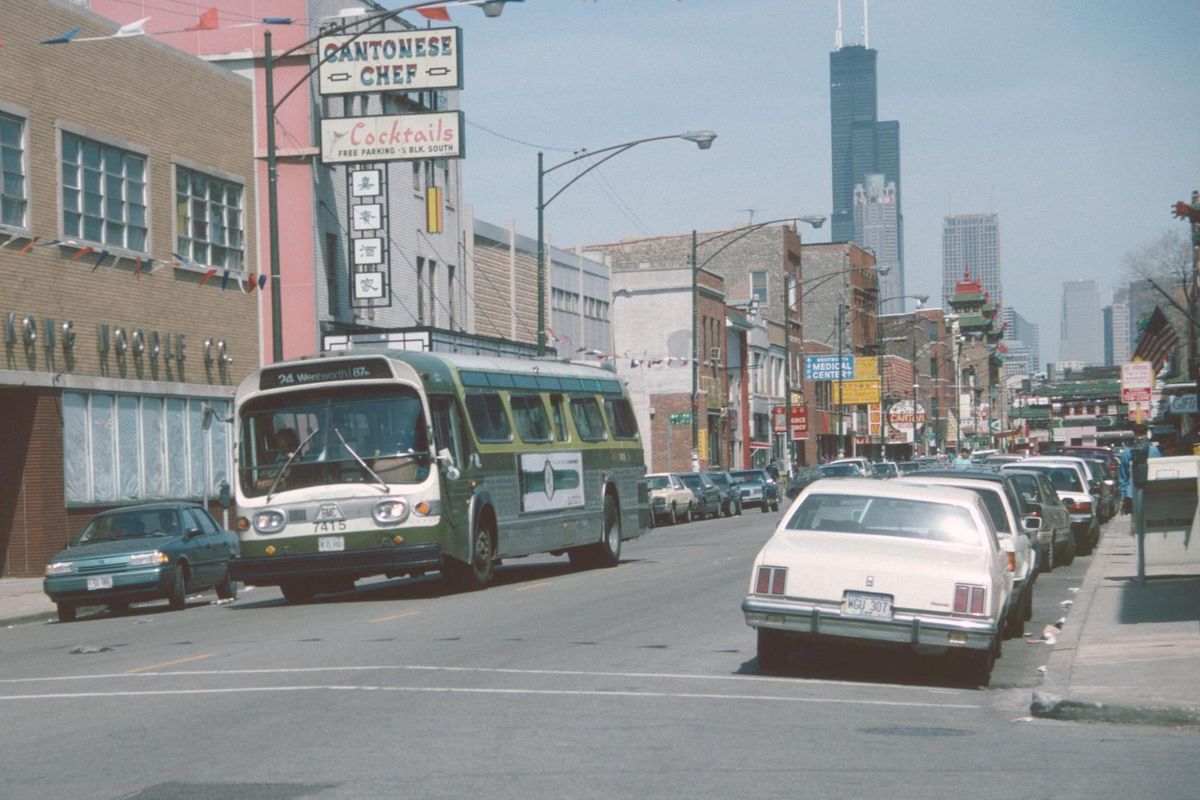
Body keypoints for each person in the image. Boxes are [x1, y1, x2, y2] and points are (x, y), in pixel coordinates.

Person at [1118, 424, 1162, 514]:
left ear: (1134, 435)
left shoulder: (1127, 452)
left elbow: (1123, 475)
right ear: (1146, 434)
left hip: (1133, 492)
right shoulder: (1155, 450)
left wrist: (1124, 494)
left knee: (1137, 518)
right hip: (1152, 490)